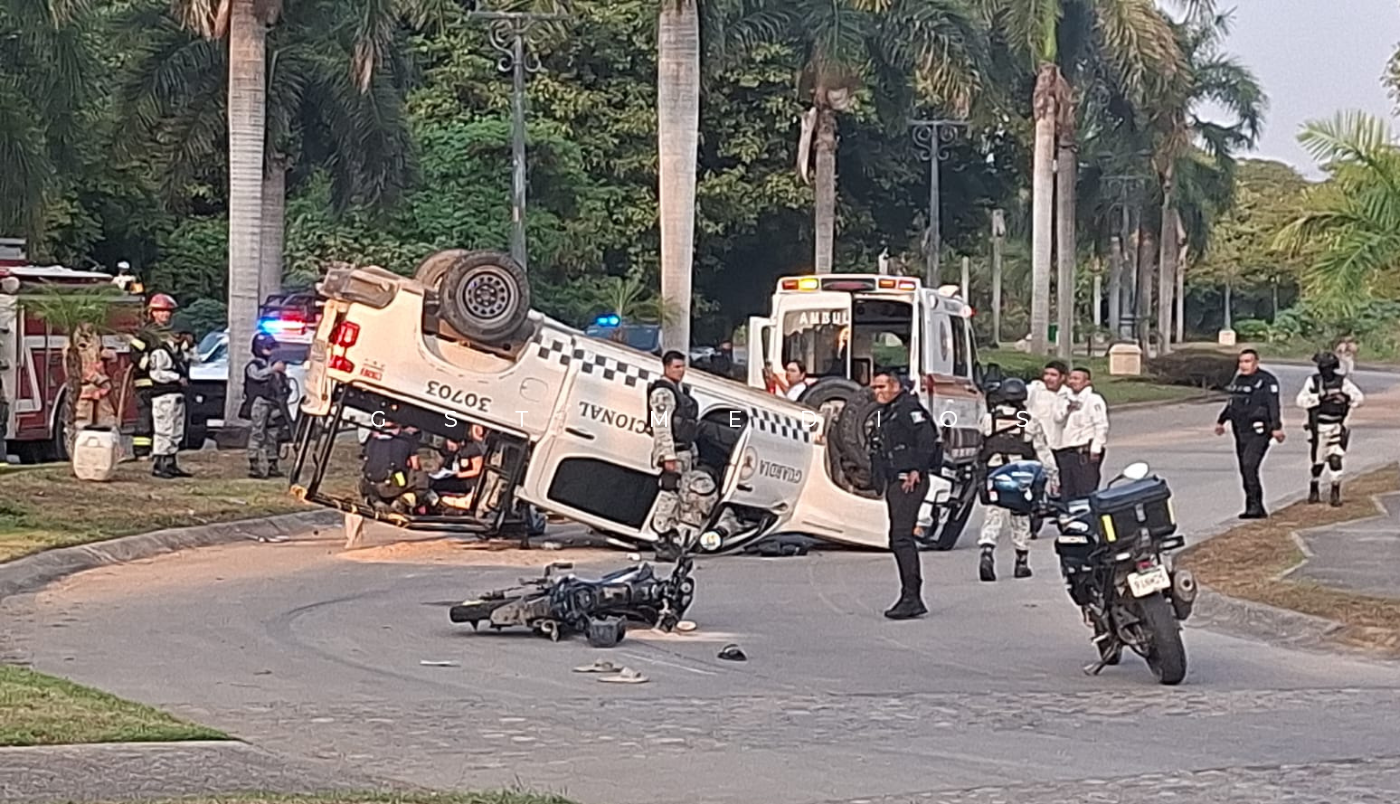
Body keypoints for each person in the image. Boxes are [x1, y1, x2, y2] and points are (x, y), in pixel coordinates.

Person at [869, 369, 941, 619]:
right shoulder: (884, 412)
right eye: (874, 388)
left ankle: (912, 596)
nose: (877, 392)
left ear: (896, 386)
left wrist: (917, 469)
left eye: (881, 387)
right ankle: (910, 595)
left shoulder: (909, 409)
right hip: (892, 480)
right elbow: (875, 437)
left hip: (908, 481)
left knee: (901, 537)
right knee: (897, 537)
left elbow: (928, 439)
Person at [978, 377, 1059, 582]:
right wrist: (1053, 475)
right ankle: (1021, 562)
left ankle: (987, 552)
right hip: (1019, 473)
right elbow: (1042, 451)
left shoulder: (989, 419)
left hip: (995, 472)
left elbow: (981, 443)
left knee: (993, 514)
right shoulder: (1028, 421)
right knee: (1020, 516)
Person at [1215, 349, 1284, 519]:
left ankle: (1256, 505)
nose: (1243, 365)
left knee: (1249, 465)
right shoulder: (1239, 380)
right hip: (1240, 429)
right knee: (1244, 469)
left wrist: (1276, 427)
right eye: (1241, 362)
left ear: (1256, 362)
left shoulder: (1266, 381)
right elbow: (1232, 403)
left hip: (1259, 430)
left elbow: (1273, 405)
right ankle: (1252, 506)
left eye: (1247, 361)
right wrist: (1221, 420)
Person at [646, 351, 703, 553]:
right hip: (674, 453)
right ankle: (660, 532)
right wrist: (667, 455)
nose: (681, 371)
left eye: (682, 367)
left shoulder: (679, 391)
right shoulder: (662, 393)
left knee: (681, 496)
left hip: (684, 452)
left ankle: (671, 535)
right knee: (669, 493)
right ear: (666, 367)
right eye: (677, 367)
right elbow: (661, 426)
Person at [1297, 351, 1364, 507]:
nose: (1323, 369)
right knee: (1318, 462)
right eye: (1321, 366)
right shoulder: (1313, 382)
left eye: (1326, 367)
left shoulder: (1343, 382)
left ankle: (1335, 490)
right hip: (1319, 427)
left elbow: (1358, 398)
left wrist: (1344, 398)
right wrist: (1319, 398)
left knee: (1335, 459)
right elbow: (1300, 400)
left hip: (1337, 426)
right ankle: (1314, 486)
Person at [143, 297, 191, 478]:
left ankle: (171, 462)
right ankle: (160, 464)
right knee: (164, 429)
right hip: (162, 392)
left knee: (175, 429)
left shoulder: (176, 350)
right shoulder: (158, 349)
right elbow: (157, 372)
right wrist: (177, 377)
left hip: (176, 393)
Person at [129, 294, 179, 459]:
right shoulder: (146, 334)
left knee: (162, 420)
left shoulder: (168, 333)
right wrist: (150, 364)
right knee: (146, 416)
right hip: (146, 383)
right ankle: (141, 452)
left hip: (162, 385)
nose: (166, 315)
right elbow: (135, 354)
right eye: (162, 311)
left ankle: (160, 451)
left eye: (168, 312)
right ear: (153, 313)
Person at [1026, 361, 1070, 534]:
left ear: (1063, 378)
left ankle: (1064, 521)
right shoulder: (1035, 391)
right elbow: (1022, 408)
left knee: (1058, 487)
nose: (1049, 379)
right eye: (1047, 374)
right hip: (1034, 444)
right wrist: (1026, 427)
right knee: (1034, 484)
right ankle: (1032, 521)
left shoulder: (1068, 395)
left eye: (1053, 375)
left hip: (1058, 445)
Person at [360, 419, 431, 515]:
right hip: (394, 486)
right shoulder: (407, 438)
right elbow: (415, 465)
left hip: (371, 485)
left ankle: (373, 500)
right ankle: (403, 501)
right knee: (421, 477)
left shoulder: (371, 438)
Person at [242, 333, 288, 478]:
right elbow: (256, 375)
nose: (270, 350)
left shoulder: (272, 366)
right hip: (259, 403)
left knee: (273, 434)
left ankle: (272, 464)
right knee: (258, 433)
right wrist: (273, 370)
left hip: (273, 403)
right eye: (268, 347)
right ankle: (254, 465)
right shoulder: (253, 365)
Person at [1059, 367, 1110, 498]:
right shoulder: (1064, 399)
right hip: (1066, 452)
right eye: (1071, 378)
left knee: (1085, 492)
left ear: (1087, 382)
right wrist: (1066, 409)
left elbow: (1101, 425)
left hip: (1084, 454)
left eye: (1077, 379)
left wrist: (1096, 449)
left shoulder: (1094, 400)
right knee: (1067, 492)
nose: (1072, 382)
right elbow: (1057, 419)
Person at [431, 424, 488, 508]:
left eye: (451, 443)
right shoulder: (451, 451)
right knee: (435, 484)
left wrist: (460, 474)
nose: (449, 446)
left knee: (444, 486)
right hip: (453, 476)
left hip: (467, 482)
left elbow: (477, 470)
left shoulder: (471, 449)